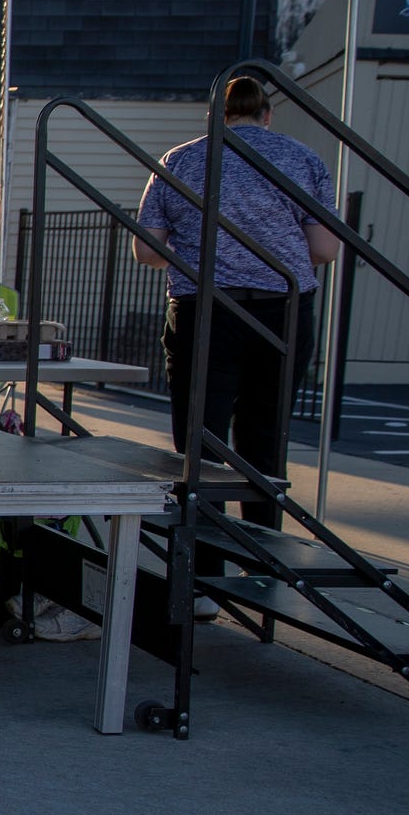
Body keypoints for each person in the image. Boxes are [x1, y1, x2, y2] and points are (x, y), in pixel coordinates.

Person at [137, 74, 339, 526]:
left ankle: (201, 574)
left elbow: (147, 250)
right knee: (265, 441)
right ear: (266, 115)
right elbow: (325, 250)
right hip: (281, 311)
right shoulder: (302, 160)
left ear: (214, 116)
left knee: (200, 445)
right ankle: (262, 561)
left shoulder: (181, 160)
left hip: (204, 310)